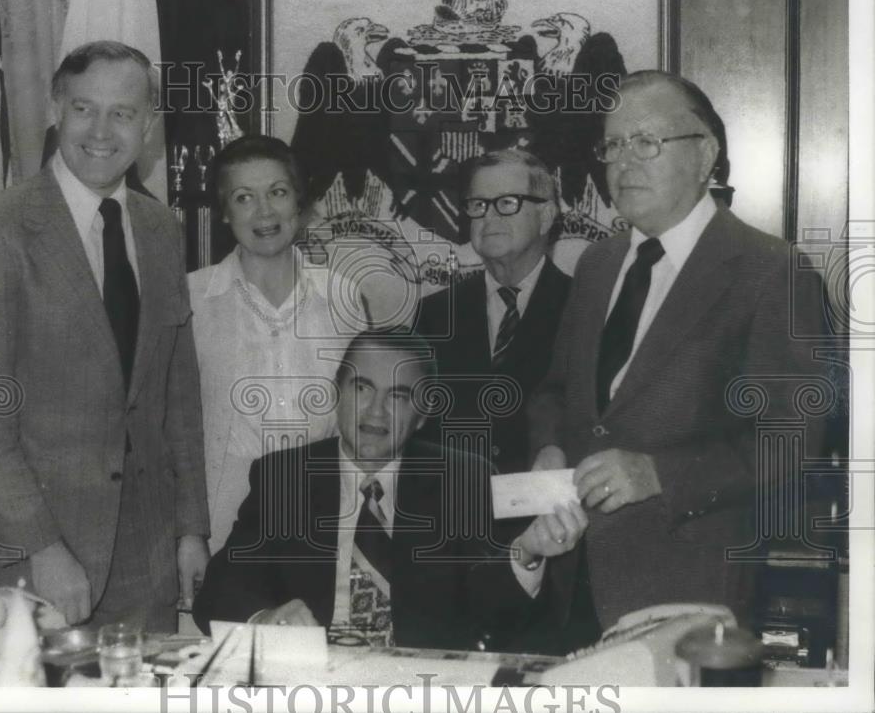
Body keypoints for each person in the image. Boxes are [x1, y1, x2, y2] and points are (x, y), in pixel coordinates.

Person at [516, 70, 841, 629]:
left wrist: (659, 474)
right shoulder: (596, 266)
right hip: (574, 579)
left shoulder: (772, 271)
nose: (624, 161)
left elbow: (793, 439)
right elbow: (556, 392)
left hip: (692, 589)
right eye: (613, 144)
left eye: (647, 141)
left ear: (705, 154)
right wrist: (549, 448)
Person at [0, 41, 210, 631]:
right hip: (23, 564)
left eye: (123, 113)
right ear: (56, 110)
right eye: (84, 109)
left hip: (145, 564)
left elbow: (176, 398)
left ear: (149, 127)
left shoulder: (161, 229)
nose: (101, 130)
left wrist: (190, 528)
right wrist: (44, 548)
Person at [193, 330, 539, 651]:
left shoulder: (462, 478)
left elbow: (495, 606)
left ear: (422, 414)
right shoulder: (285, 477)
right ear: (336, 392)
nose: (376, 410)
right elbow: (220, 588)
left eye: (398, 396)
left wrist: (528, 553)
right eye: (362, 388)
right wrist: (263, 620)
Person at [188, 136, 368, 556]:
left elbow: (359, 418)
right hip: (223, 524)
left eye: (278, 192)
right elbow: (171, 432)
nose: (264, 211)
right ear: (225, 213)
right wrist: (188, 536)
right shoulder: (192, 298)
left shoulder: (343, 296)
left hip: (326, 520)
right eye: (244, 197)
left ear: (299, 204)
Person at [415, 149, 570, 476]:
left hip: (550, 516)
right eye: (479, 204)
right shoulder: (435, 313)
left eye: (507, 203)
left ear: (546, 216)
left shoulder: (584, 305)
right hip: (454, 513)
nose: (489, 217)